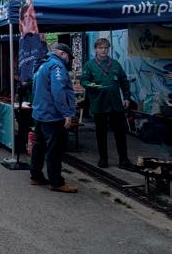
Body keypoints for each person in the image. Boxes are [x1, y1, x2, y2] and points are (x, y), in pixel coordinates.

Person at [30, 42, 78, 193]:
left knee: (39, 146)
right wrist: (66, 113)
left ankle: (36, 176)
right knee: (54, 149)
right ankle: (56, 182)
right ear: (63, 54)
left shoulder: (42, 64)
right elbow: (58, 91)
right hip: (52, 115)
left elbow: (34, 88)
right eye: (69, 58)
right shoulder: (57, 66)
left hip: (39, 112)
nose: (69, 61)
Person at [80, 38, 135, 169]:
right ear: (95, 49)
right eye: (100, 48)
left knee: (120, 133)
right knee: (101, 133)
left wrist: (126, 97)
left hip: (116, 104)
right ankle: (103, 159)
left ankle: (124, 160)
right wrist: (90, 85)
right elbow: (84, 81)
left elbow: (124, 81)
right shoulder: (89, 65)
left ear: (108, 49)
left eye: (106, 48)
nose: (103, 50)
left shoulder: (115, 64)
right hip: (99, 103)